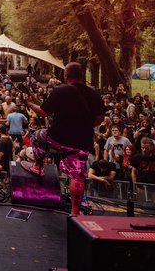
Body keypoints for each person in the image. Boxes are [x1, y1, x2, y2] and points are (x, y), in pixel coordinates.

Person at [26, 62, 106, 216]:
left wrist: (30, 104)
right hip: (82, 142)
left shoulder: (60, 91)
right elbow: (100, 118)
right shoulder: (94, 94)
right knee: (77, 175)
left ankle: (38, 166)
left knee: (36, 136)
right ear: (82, 76)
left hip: (58, 138)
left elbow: (43, 112)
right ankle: (75, 212)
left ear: (66, 75)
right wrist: (86, 125)